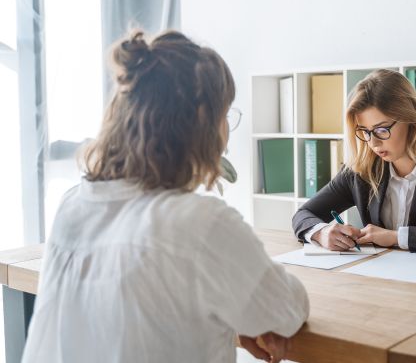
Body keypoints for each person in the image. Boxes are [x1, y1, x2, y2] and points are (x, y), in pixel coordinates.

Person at [22, 31, 308, 363]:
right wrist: (244, 313)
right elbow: (284, 308)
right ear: (202, 121)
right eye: (225, 115)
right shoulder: (200, 223)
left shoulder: (73, 204)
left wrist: (238, 312)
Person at [292, 69, 416, 254]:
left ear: (411, 119)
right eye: (365, 131)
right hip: (383, 282)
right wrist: (321, 232)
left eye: (382, 129)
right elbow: (304, 214)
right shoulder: (360, 168)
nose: (373, 143)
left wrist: (396, 237)